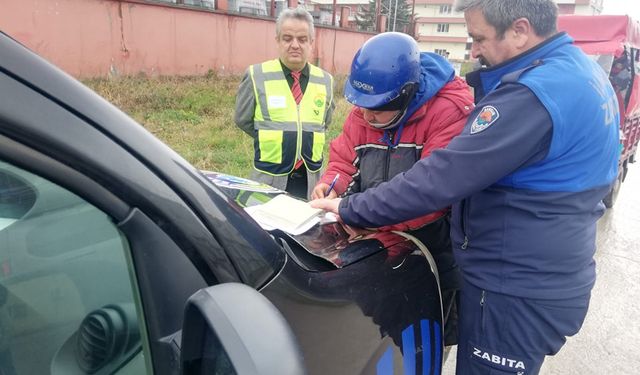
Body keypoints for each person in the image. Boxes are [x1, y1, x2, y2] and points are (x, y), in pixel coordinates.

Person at [311, 0, 620, 374]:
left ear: (520, 30)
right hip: (546, 272)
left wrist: (350, 209)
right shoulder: (582, 72)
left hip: (513, 287)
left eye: (479, 37)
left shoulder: (533, 94)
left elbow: (440, 180)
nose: (473, 51)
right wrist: (335, 186)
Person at [310, 32, 474, 347]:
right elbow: (344, 159)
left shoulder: (449, 113)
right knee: (383, 333)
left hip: (430, 250)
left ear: (407, 95)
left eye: (377, 109)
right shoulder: (367, 109)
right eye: (361, 106)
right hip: (376, 242)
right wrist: (330, 186)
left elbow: (431, 195)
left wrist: (366, 220)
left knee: (426, 338)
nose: (366, 115)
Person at [234, 7, 335, 199]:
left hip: (310, 179)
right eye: (287, 38)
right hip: (269, 176)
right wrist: (271, 135)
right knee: (265, 225)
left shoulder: (325, 80)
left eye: (302, 39)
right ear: (278, 41)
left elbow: (324, 123)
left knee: (308, 226)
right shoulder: (257, 75)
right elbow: (242, 119)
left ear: (311, 43)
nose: (295, 45)